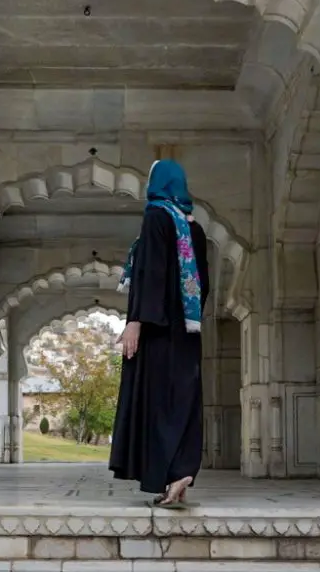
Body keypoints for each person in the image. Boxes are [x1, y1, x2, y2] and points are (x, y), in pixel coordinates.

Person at [109, 159, 210, 507]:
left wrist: (136, 320)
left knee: (155, 403)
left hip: (158, 330)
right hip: (186, 332)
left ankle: (170, 472)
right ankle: (181, 470)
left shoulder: (156, 217)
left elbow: (151, 272)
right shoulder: (193, 228)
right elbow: (202, 285)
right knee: (182, 400)